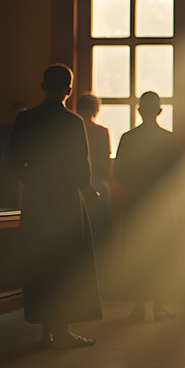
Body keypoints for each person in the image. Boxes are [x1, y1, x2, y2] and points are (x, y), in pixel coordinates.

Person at [10, 64, 102, 349]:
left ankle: (46, 331)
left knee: (40, 262)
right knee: (66, 264)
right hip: (65, 203)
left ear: (42, 86)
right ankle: (62, 329)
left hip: (37, 201)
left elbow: (14, 159)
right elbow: (80, 167)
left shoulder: (26, 120)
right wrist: (87, 190)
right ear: (69, 90)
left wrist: (33, 179)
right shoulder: (73, 123)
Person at [114, 91, 180, 322]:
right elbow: (177, 170)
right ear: (160, 111)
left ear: (139, 110)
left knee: (136, 252)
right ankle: (160, 305)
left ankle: (139, 306)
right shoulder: (168, 138)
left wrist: (134, 186)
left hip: (137, 199)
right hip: (161, 200)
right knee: (162, 252)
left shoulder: (128, 137)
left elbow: (119, 171)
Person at [75, 93, 113, 282]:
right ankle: (101, 280)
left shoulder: (73, 129)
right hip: (98, 182)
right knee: (99, 234)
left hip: (76, 186)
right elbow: (106, 166)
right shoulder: (102, 132)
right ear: (96, 110)